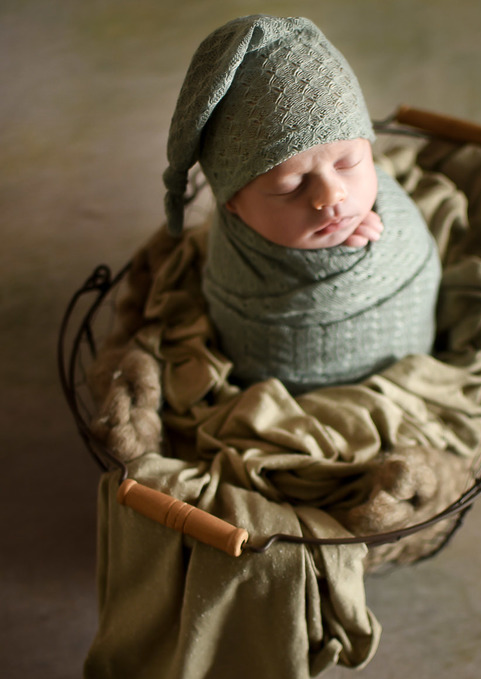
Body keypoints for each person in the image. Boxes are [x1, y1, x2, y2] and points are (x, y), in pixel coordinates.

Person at [164, 14, 441, 395]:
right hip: (288, 391)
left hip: (410, 367)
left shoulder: (387, 205)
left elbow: (410, 252)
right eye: (290, 186)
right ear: (232, 205)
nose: (332, 195)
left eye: (348, 164)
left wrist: (382, 244)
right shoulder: (237, 262)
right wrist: (327, 258)